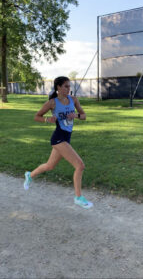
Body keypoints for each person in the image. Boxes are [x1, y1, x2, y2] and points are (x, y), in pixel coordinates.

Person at [24, 76, 93, 209]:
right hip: (58, 138)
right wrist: (47, 120)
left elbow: (84, 116)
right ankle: (78, 197)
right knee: (80, 165)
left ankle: (29, 175)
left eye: (69, 86)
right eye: (66, 86)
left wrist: (76, 116)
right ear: (58, 87)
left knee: (50, 166)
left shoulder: (73, 100)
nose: (69, 88)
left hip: (67, 138)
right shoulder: (52, 103)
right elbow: (36, 116)